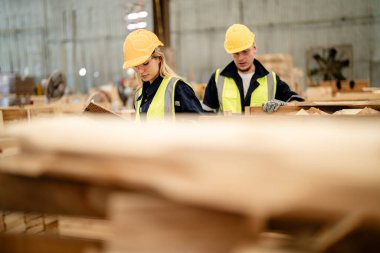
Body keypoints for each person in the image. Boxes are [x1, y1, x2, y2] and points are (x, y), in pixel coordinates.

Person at [203, 24, 304, 114]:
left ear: (254, 48)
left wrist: (283, 105)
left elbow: (298, 104)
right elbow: (206, 114)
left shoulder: (270, 79)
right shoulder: (218, 78)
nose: (240, 58)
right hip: (229, 135)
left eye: (245, 51)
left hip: (259, 135)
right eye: (236, 53)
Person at [122, 29, 203, 120]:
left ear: (159, 58)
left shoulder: (178, 89)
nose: (140, 71)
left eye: (145, 63)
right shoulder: (139, 96)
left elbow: (198, 128)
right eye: (135, 67)